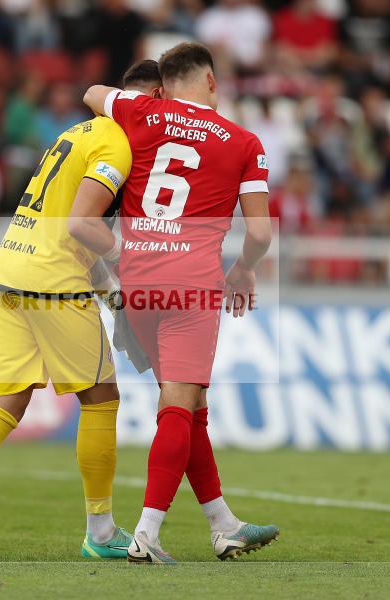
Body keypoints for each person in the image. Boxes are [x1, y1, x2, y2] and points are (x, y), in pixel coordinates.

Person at [0, 61, 164, 561]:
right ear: (154, 99)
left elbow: (71, 226)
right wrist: (127, 265)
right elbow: (81, 225)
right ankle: (101, 532)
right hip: (53, 281)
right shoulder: (118, 145)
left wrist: (112, 295)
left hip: (9, 268)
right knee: (101, 397)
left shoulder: (77, 133)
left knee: (7, 400)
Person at [83, 42, 279, 563]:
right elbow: (260, 233)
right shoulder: (244, 142)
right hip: (191, 288)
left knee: (190, 408)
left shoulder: (141, 112)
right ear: (211, 81)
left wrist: (141, 102)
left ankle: (224, 524)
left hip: (137, 285)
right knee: (177, 405)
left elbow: (92, 92)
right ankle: (147, 533)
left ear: (165, 85)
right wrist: (243, 269)